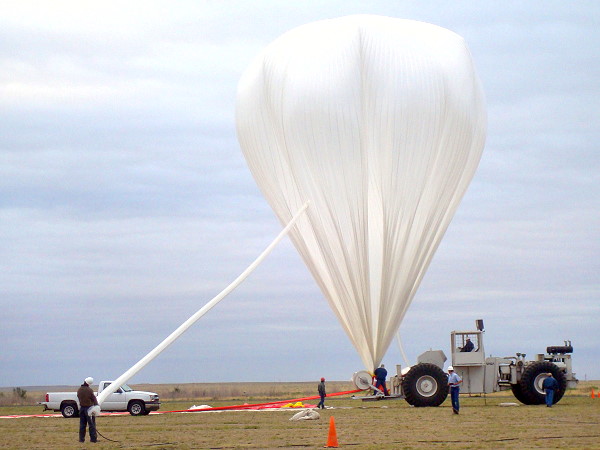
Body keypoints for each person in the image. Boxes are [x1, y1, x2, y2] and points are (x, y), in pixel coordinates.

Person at [77, 376, 98, 443]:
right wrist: (96, 406)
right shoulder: (89, 390)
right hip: (89, 409)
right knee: (91, 425)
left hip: (82, 409)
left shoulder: (79, 390)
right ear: (89, 384)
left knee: (82, 425)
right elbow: (94, 399)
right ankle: (93, 439)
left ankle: (81, 439)